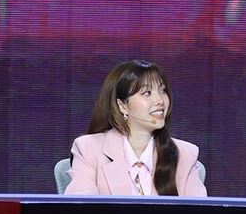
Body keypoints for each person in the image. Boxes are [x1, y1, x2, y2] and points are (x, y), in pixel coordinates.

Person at [65, 59, 206, 197]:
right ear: (123, 106)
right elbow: (81, 209)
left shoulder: (185, 154)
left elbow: (199, 210)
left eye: (162, 91)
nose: (160, 101)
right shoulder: (88, 149)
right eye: (147, 93)